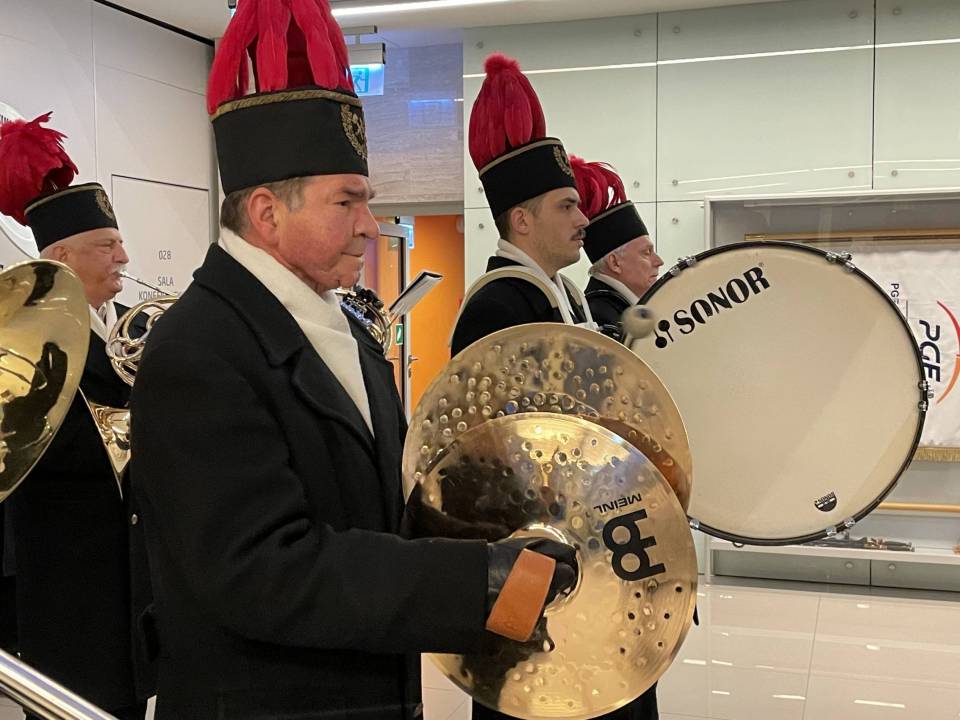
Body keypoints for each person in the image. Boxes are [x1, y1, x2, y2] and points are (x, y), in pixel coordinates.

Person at [128, 2, 576, 718]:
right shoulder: (199, 348)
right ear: (267, 212)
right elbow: (260, 570)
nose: (370, 226)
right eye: (347, 202)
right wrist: (477, 580)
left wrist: (502, 538)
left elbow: (379, 514)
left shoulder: (346, 331)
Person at [0, 112, 152, 719]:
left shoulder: (124, 325)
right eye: (106, 246)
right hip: (61, 564)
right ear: (61, 256)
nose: (124, 256)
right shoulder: (24, 335)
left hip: (123, 556)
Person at [449, 54, 594, 356]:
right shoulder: (494, 308)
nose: (583, 220)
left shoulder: (568, 296)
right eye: (566, 207)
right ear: (522, 221)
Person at [572, 158, 663, 343]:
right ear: (615, 263)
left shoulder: (614, 308)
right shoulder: (600, 317)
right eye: (646, 253)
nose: (659, 261)